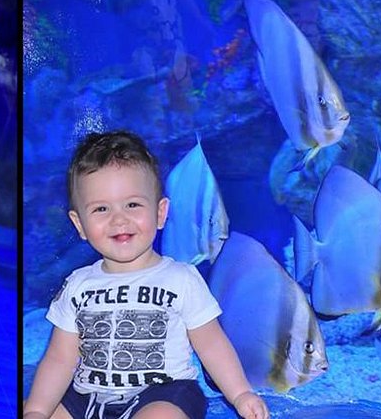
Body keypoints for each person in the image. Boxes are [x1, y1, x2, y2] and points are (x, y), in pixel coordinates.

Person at [24, 131, 268, 419]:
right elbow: (60, 358)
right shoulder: (77, 285)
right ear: (79, 225)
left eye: (133, 205)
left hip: (163, 392)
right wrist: (37, 409)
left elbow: (211, 344)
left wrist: (240, 393)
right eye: (101, 208)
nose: (118, 219)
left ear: (161, 212)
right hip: (88, 395)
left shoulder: (181, 279)